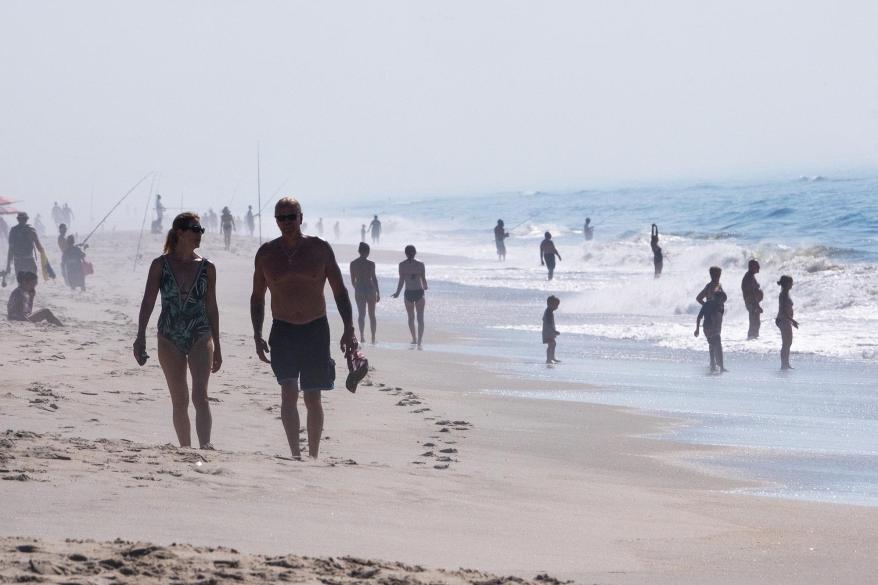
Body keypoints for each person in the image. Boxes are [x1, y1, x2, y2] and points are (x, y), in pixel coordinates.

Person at [251, 197, 361, 460]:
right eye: (281, 218)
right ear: (276, 221)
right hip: (283, 330)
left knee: (313, 396)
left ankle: (313, 455)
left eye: (291, 217)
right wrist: (256, 333)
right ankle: (295, 455)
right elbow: (257, 296)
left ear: (301, 217)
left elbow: (340, 291)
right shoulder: (266, 254)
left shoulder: (319, 249)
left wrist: (349, 328)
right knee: (288, 391)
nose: (287, 222)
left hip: (315, 329)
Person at [134, 213, 221, 450]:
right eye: (195, 229)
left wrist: (218, 346)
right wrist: (140, 336)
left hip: (200, 334)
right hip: (169, 336)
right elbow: (148, 302)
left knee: (200, 396)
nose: (199, 233)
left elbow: (212, 307)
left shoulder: (207, 267)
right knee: (179, 399)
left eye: (201, 229)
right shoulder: (160, 265)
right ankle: (185, 449)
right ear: (180, 232)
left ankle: (206, 445)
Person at [391, 244, 428, 348]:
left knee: (411, 317)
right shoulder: (421, 264)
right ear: (415, 252)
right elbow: (423, 279)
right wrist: (425, 287)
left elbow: (401, 281)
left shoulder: (402, 265)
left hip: (408, 293)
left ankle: (414, 339)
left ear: (405, 253)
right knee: (420, 318)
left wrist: (397, 293)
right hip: (419, 292)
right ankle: (420, 341)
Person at [350, 242, 380, 344]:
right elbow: (374, 279)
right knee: (372, 315)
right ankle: (373, 337)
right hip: (370, 289)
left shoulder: (353, 264)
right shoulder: (371, 264)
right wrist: (378, 292)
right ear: (367, 252)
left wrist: (357, 288)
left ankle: (362, 336)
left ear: (359, 251)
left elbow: (352, 280)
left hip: (359, 289)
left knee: (361, 314)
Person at [694, 286, 727, 373]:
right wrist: (697, 329)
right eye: (720, 298)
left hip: (710, 329)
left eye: (722, 299)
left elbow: (718, 320)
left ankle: (713, 365)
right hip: (709, 328)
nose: (721, 300)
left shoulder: (719, 306)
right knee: (717, 343)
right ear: (716, 297)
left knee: (712, 345)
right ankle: (721, 367)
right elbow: (699, 317)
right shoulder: (710, 304)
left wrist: (697, 329)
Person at [6, 212, 46, 284]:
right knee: (32, 282)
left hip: (18, 261)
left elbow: (10, 250)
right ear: (26, 219)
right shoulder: (31, 230)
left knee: (21, 283)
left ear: (18, 219)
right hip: (29, 260)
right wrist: (44, 255)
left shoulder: (13, 231)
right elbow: (39, 246)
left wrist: (8, 265)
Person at [776, 275, 799, 370]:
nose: (792, 285)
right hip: (784, 319)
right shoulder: (783, 294)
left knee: (788, 343)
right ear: (786, 284)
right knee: (786, 343)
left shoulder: (786, 293)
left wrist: (791, 320)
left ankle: (786, 363)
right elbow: (783, 310)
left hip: (786, 320)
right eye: (791, 283)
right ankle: (784, 364)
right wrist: (792, 320)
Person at [741, 259, 764, 340]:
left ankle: (753, 339)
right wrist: (757, 305)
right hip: (752, 302)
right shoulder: (749, 277)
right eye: (757, 266)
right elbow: (751, 293)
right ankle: (752, 339)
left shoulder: (750, 276)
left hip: (752, 302)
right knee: (755, 322)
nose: (759, 267)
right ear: (752, 267)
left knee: (755, 322)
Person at [542, 295, 561, 364]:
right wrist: (554, 331)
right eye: (556, 305)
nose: (557, 307)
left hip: (549, 331)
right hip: (548, 332)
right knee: (551, 344)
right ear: (550, 304)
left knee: (553, 344)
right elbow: (549, 324)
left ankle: (552, 357)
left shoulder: (549, 311)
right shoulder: (548, 312)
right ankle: (548, 359)